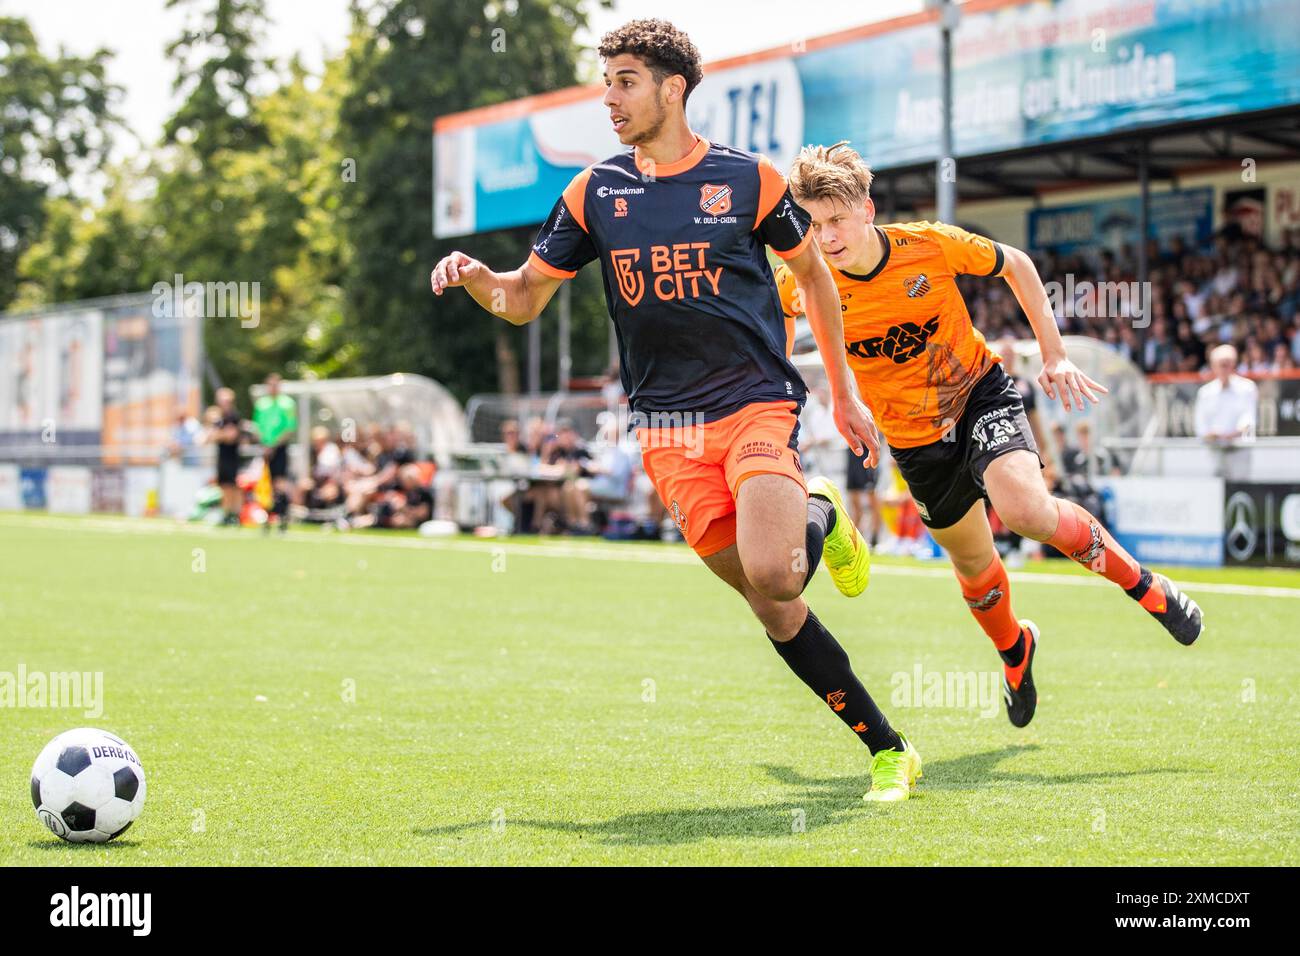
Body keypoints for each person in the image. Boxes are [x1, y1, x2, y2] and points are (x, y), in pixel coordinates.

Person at [432, 19, 919, 801]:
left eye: (625, 81)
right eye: (607, 83)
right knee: (773, 603)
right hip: (666, 429)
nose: (611, 99)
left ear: (672, 88)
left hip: (754, 404)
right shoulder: (595, 192)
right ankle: (890, 747)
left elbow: (816, 281)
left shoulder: (750, 181)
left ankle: (815, 513)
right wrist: (477, 277)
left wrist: (844, 389)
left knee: (776, 571)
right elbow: (522, 298)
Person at [775, 140, 1203, 730]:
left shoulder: (925, 243)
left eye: (836, 220)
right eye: (814, 224)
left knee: (1025, 510)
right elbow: (764, 336)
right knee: (975, 567)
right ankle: (1014, 652)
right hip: (913, 438)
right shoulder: (800, 278)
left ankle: (1148, 587)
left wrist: (1053, 355)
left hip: (978, 394)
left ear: (867, 209)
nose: (825, 238)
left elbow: (1018, 265)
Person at [251, 373, 298, 532]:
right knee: (266, 482)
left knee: (280, 482)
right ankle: (266, 516)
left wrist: (273, 445)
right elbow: (257, 426)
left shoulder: (287, 403)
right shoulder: (261, 404)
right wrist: (264, 444)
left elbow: (289, 428)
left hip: (279, 448)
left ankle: (282, 516)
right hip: (265, 448)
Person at [202, 388, 250, 526]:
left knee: (232, 486)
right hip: (222, 455)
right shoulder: (219, 419)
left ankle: (234, 514)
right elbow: (210, 437)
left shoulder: (233, 417)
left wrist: (219, 435)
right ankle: (226, 513)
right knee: (223, 486)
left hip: (232, 456)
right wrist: (220, 435)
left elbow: (231, 436)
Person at [1194, 344, 1259, 443]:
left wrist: (1233, 434)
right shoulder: (1205, 393)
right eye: (1221, 365)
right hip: (1213, 452)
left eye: (1228, 364)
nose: (1225, 369)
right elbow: (1200, 427)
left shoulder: (1247, 388)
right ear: (1213, 366)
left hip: (1241, 451)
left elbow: (1249, 420)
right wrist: (1212, 435)